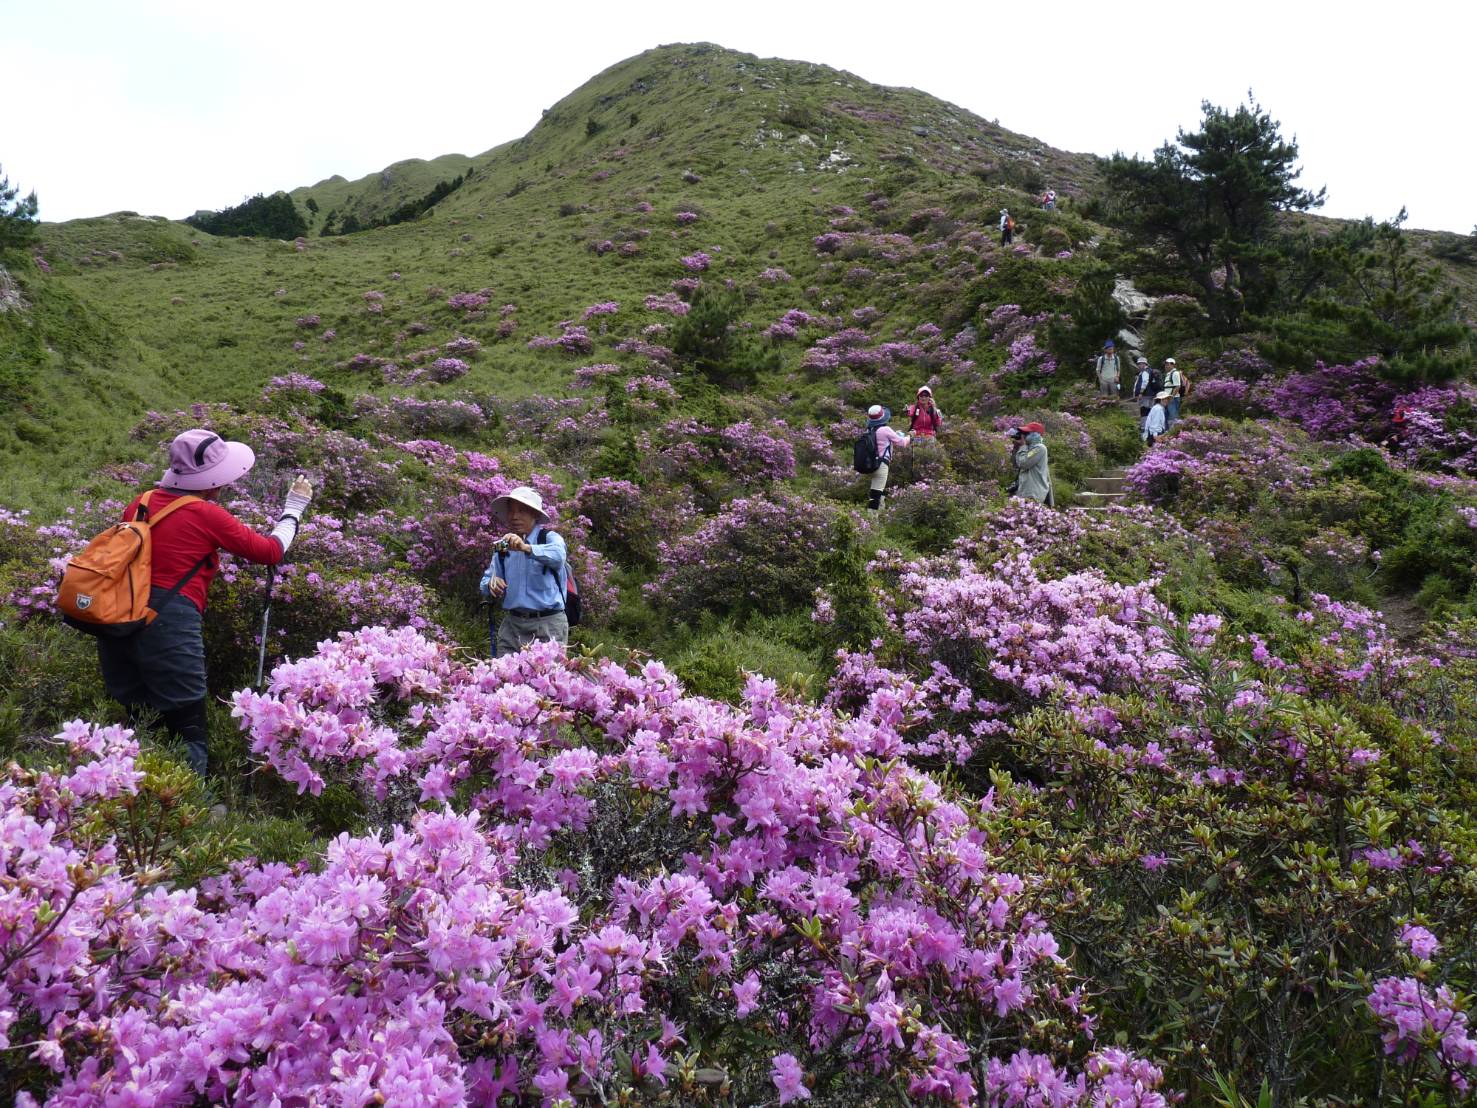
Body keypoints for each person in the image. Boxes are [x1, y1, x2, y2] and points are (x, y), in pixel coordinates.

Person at [97, 428, 313, 777]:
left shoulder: (141, 501)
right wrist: (294, 509)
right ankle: (186, 801)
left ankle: (131, 795)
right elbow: (270, 552)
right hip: (169, 624)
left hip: (118, 619)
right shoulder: (206, 514)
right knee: (188, 728)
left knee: (140, 723)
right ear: (211, 480)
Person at [479, 486, 570, 653]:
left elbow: (558, 557)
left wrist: (526, 548)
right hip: (512, 626)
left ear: (534, 514)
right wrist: (491, 583)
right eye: (511, 511)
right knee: (504, 670)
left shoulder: (549, 538)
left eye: (521, 511)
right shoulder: (503, 545)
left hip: (547, 625)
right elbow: (486, 582)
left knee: (546, 670)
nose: (514, 516)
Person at [863, 404, 911, 510]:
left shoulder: (868, 431)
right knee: (876, 492)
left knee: (875, 491)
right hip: (881, 464)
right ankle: (873, 517)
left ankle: (878, 513)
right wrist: (910, 436)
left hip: (869, 464)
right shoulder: (885, 429)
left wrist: (895, 434)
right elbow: (902, 443)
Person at [1009, 422, 1053, 506]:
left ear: (1036, 434)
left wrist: (1023, 446)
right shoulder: (1028, 448)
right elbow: (1015, 465)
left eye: (1027, 433)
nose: (1024, 436)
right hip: (1024, 492)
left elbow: (1023, 463)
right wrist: (1016, 447)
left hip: (1033, 494)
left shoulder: (1040, 448)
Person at [1163, 358, 1186, 428]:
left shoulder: (1175, 373)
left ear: (1173, 365)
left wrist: (1171, 397)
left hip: (1173, 398)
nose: (1166, 366)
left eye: (1168, 364)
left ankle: (1175, 431)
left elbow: (1177, 386)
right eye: (1166, 364)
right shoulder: (1169, 374)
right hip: (1168, 398)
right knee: (1168, 416)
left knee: (1173, 416)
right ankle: (1168, 431)